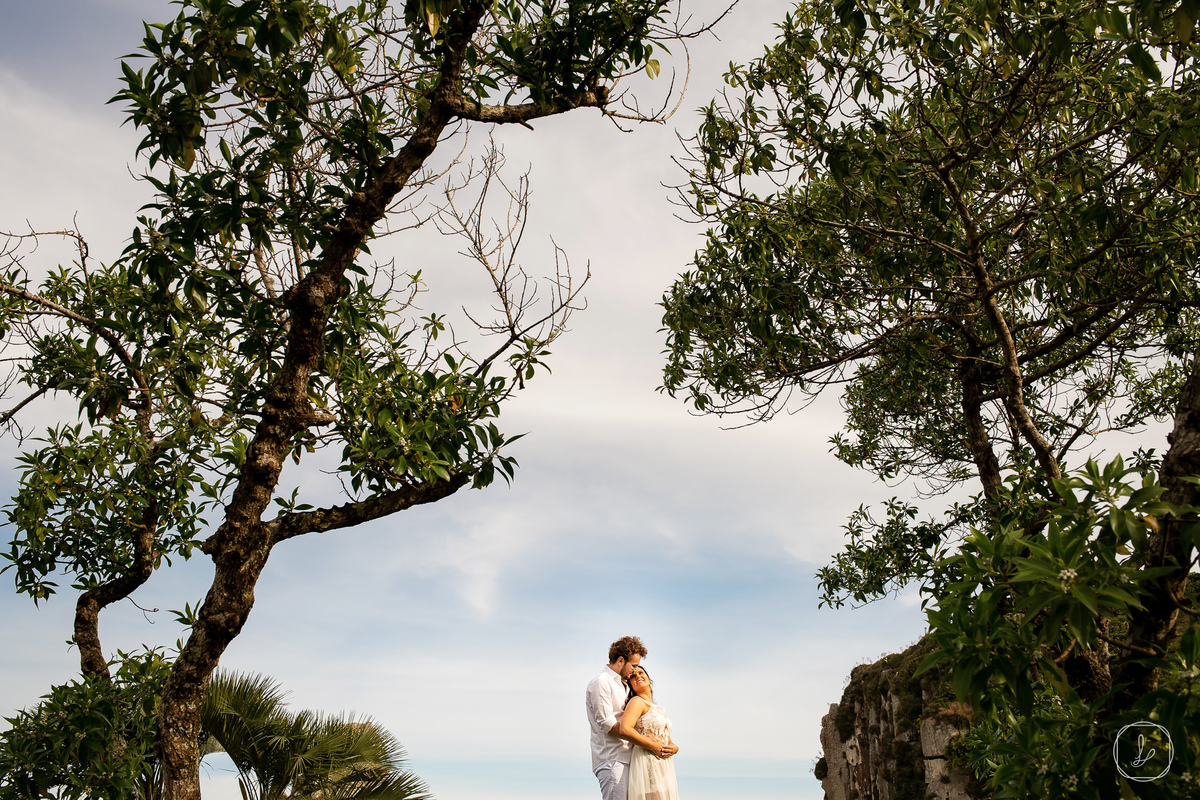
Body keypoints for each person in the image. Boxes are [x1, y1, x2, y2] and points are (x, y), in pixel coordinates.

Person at [586, 636, 654, 800]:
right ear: (620, 660)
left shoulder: (624, 685)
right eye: (633, 665)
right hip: (612, 759)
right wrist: (650, 744)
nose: (635, 670)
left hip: (628, 759)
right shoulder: (601, 682)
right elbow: (608, 725)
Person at [619, 665, 680, 800]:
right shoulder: (636, 702)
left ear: (649, 680)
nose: (638, 676)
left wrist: (675, 748)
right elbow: (624, 729)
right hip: (647, 762)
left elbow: (666, 738)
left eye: (641, 673)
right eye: (633, 676)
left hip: (664, 766)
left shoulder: (660, 709)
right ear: (631, 686)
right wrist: (652, 745)